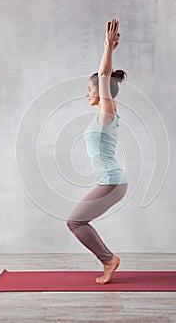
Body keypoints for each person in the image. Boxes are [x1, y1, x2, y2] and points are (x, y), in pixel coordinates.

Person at [66, 18, 128, 284]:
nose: (86, 93)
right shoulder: (101, 116)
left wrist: (109, 49)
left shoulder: (107, 112)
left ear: (102, 94)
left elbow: (103, 77)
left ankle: (109, 260)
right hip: (111, 181)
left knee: (75, 222)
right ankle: (108, 259)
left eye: (89, 89)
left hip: (112, 181)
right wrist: (107, 47)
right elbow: (102, 78)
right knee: (76, 221)